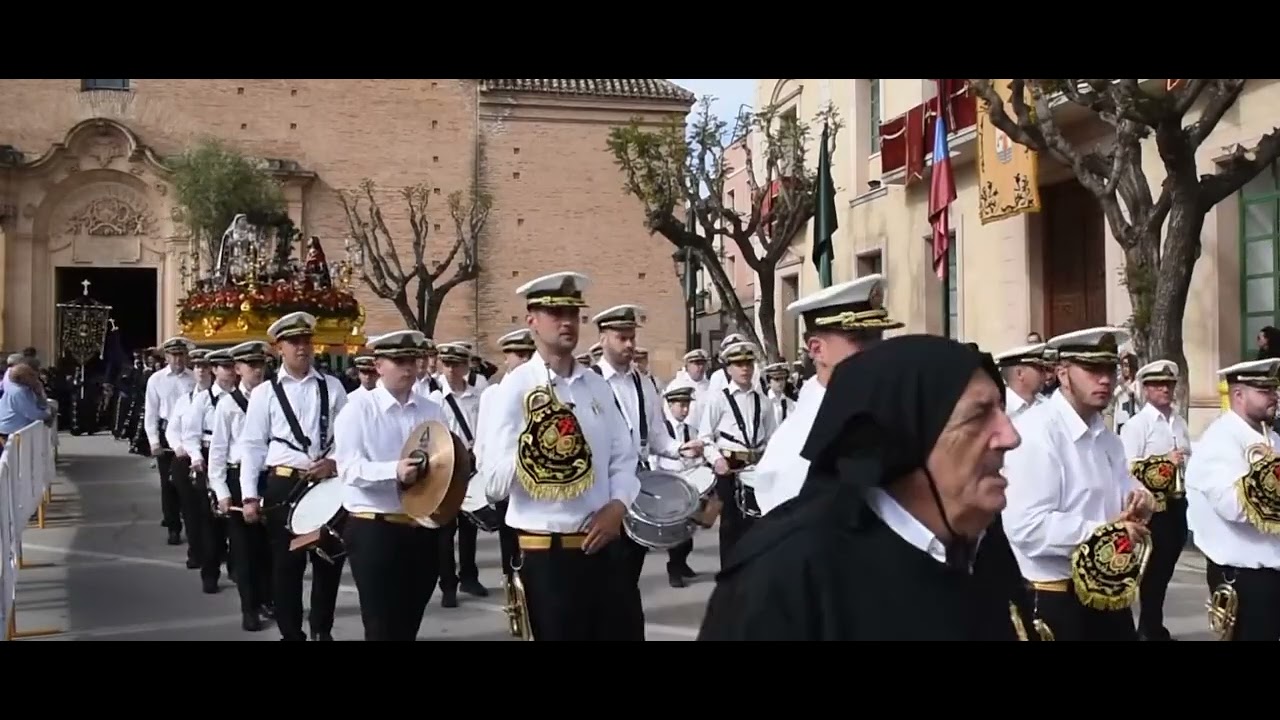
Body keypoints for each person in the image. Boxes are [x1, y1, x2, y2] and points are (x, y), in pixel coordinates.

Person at [698, 335, 1036, 640]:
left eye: (1002, 411)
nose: (1011, 437)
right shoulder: (786, 576)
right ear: (908, 436)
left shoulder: (985, 545)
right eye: (978, 416)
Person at [480, 271, 642, 641]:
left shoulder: (596, 385)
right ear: (532, 320)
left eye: (573, 313)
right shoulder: (516, 388)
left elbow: (624, 457)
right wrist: (534, 448)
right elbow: (492, 484)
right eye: (556, 314)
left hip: (603, 548)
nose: (567, 322)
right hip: (546, 556)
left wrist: (617, 506)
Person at [1001, 326, 1155, 641]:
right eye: (1092, 369)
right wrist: (1106, 533)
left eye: (1110, 369)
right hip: (1056, 597)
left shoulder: (1107, 437)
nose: (1105, 379)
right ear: (1062, 373)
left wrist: (1142, 500)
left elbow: (1127, 489)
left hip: (1109, 591)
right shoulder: (1035, 434)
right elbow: (1027, 526)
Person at [236, 311, 349, 641]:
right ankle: (291, 633)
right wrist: (249, 496)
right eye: (294, 342)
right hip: (285, 483)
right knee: (287, 567)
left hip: (327, 482)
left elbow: (349, 438)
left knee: (330, 561)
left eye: (306, 341)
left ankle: (321, 629)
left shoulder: (332, 386)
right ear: (279, 348)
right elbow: (253, 446)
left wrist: (335, 462)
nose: (302, 348)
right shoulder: (265, 393)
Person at [752, 274, 902, 517]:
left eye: (878, 337)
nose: (875, 350)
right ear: (817, 349)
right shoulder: (805, 429)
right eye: (861, 340)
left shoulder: (881, 399)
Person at [334, 330, 449, 641]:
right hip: (375, 527)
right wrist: (393, 471)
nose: (408, 368)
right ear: (378, 365)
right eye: (398, 361)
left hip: (421, 527)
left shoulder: (431, 410)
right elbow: (349, 468)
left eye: (412, 360)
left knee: (409, 621)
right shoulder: (357, 409)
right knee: (381, 624)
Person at [589, 303, 690, 634]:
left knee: (626, 580)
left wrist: (683, 449)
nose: (630, 345)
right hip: (601, 497)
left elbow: (658, 438)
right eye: (622, 337)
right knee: (611, 586)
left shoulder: (644, 384)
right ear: (603, 338)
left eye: (632, 337)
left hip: (637, 493)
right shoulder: (588, 383)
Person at [1186, 357, 1280, 641]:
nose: (1274, 395)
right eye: (1263, 390)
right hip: (1245, 575)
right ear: (1238, 395)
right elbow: (1234, 507)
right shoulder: (1221, 439)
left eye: (1274, 389)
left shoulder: (1271, 438)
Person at [1119, 359, 1190, 641]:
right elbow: (1128, 467)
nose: (1165, 390)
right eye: (1158, 385)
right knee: (1153, 572)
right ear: (1146, 390)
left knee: (1167, 565)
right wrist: (1165, 463)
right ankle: (1149, 628)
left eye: (1169, 384)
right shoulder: (1138, 425)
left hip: (1177, 502)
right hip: (1153, 508)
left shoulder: (1179, 420)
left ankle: (1153, 625)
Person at [208, 340, 274, 631]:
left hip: (269, 477)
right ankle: (249, 607)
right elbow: (219, 451)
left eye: (260, 365)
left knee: (270, 548)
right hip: (238, 479)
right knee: (245, 550)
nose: (256, 371)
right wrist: (221, 491)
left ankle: (268, 598)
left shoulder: (274, 398)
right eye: (251, 365)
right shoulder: (227, 405)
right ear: (237, 369)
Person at [698, 341, 777, 565]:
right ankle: (730, 576)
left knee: (758, 523)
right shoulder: (718, 399)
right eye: (739, 364)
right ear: (729, 369)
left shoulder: (763, 401)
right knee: (731, 525)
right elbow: (705, 436)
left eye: (748, 363)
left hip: (757, 467)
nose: (745, 369)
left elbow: (773, 436)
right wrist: (717, 459)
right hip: (730, 466)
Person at [480, 328, 536, 610]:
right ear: (506, 359)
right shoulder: (494, 394)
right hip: (507, 479)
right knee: (509, 543)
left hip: (537, 485)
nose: (523, 360)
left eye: (528, 354)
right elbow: (484, 442)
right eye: (518, 355)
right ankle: (512, 592)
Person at [429, 341, 487, 606]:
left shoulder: (477, 396)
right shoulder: (435, 399)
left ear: (466, 366)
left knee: (469, 526)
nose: (451, 370)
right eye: (447, 364)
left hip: (472, 466)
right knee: (445, 530)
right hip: (447, 468)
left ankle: (469, 576)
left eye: (457, 364)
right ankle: (447, 584)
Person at [180, 349, 239, 593]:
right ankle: (210, 571)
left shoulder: (244, 399)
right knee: (211, 521)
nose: (228, 372)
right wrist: (196, 458)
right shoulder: (204, 400)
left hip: (235, 460)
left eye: (231, 366)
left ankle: (237, 566)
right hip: (208, 456)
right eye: (223, 367)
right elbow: (190, 435)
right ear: (214, 370)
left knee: (237, 520)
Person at [651, 384, 706, 587]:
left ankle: (681, 564)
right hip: (669, 484)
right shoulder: (662, 430)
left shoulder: (692, 430)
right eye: (680, 405)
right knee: (676, 533)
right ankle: (674, 569)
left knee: (689, 531)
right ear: (670, 405)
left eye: (687, 405)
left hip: (688, 485)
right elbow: (654, 457)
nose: (684, 409)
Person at [144, 337, 196, 545]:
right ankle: (173, 526)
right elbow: (151, 412)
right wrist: (154, 440)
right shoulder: (156, 380)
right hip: (167, 436)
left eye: (181, 354)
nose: (178, 359)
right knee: (168, 485)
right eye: (173, 355)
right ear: (166, 357)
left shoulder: (193, 378)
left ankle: (191, 525)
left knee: (189, 484)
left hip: (188, 435)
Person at [994, 342, 1047, 420]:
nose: (1045, 373)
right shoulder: (1002, 409)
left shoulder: (1045, 403)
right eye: (1039, 369)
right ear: (1020, 374)